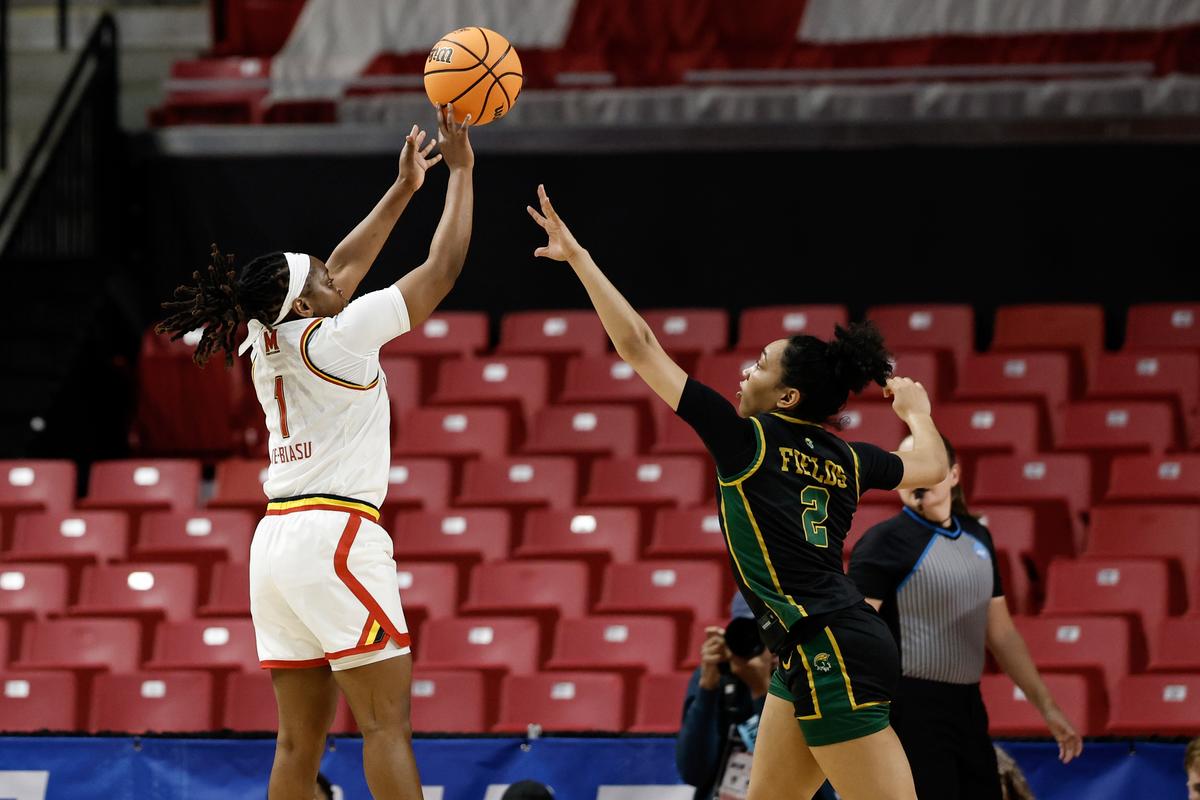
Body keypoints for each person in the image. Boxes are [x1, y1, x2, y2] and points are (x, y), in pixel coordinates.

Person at [526, 185, 949, 800]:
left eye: (761, 365)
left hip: (829, 644)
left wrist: (582, 259)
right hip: (811, 646)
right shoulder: (848, 459)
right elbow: (933, 466)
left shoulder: (745, 441)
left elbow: (639, 346)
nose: (745, 371)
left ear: (786, 399)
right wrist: (918, 411)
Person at [157, 104, 474, 799]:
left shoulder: (265, 338)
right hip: (336, 535)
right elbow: (442, 268)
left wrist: (400, 191)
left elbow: (339, 265)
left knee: (297, 742)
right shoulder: (340, 338)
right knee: (386, 725)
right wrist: (460, 174)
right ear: (307, 306)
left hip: (275, 546)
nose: (340, 281)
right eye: (326, 285)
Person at [848, 435, 1082, 800]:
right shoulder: (883, 543)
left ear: (954, 474)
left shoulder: (979, 537)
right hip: (907, 707)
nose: (918, 475)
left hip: (968, 706)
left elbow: (1002, 635)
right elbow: (854, 638)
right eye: (908, 465)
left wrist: (1047, 707)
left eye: (927, 463)